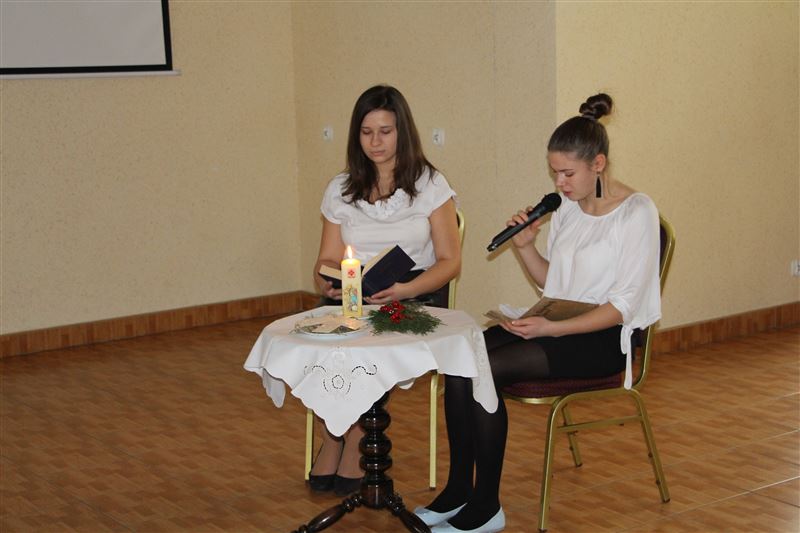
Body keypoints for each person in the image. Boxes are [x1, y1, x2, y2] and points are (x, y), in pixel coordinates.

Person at [415, 93, 661, 533]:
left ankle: (486, 507)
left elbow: (623, 307)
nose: (560, 183)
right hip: (558, 324)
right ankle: (458, 490)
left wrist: (551, 328)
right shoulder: (567, 209)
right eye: (554, 173)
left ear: (598, 164)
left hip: (604, 340)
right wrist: (526, 248)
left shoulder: (636, 212)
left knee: (486, 367)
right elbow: (555, 285)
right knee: (460, 357)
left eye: (568, 173)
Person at [310, 84, 462, 496]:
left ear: (402, 132)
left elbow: (450, 261)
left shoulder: (430, 184)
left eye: (385, 131)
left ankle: (356, 434)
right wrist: (327, 280)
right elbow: (325, 259)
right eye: (366, 132)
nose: (375, 142)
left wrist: (404, 288)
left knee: (368, 341)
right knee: (324, 342)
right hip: (353, 292)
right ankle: (333, 434)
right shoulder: (341, 187)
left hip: (412, 292)